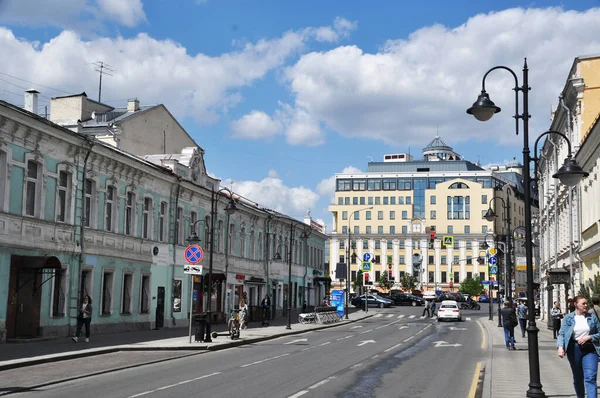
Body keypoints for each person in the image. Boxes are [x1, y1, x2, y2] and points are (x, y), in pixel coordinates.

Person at [557, 295, 600, 398]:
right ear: (576, 304)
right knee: (578, 377)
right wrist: (560, 347)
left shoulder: (592, 317)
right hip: (574, 348)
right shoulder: (568, 318)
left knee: (590, 377)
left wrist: (589, 337)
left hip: (590, 349)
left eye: (586, 303)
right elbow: (562, 333)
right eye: (583, 303)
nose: (586, 305)